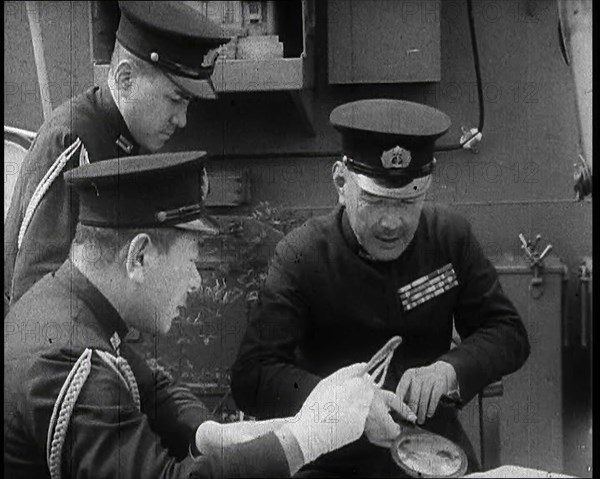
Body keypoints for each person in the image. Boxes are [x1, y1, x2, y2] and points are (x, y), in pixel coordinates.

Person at [4, 150, 412, 478]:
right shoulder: (69, 362)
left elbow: (153, 392)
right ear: (139, 257)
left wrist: (222, 434)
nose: (197, 281)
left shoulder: (67, 308)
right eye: (192, 258)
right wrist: (310, 436)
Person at [231, 99, 531, 477]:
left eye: (408, 202)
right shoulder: (302, 254)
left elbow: (509, 333)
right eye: (374, 201)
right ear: (341, 182)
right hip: (330, 457)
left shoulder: (449, 239)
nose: (392, 222)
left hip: (431, 450)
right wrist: (343, 407)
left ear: (428, 187)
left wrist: (450, 370)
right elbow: (252, 375)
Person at [4, 1, 229, 312]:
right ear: (125, 79)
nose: (182, 119)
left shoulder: (123, 138)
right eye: (175, 99)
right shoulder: (73, 141)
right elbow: (35, 291)